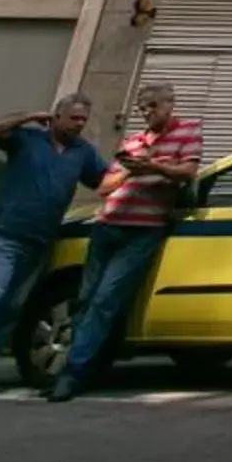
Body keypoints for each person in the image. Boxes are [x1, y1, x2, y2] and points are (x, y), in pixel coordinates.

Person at [0, 93, 106, 398]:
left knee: (9, 310)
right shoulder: (27, 140)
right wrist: (30, 116)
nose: (79, 125)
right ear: (56, 116)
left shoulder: (82, 153)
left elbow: (105, 180)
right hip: (5, 235)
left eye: (83, 120)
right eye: (74, 118)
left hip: (40, 242)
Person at [46, 82, 202, 403]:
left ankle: (73, 373)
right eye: (143, 107)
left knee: (106, 299)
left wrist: (155, 166)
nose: (147, 112)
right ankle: (78, 365)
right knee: (87, 298)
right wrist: (131, 171)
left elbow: (188, 171)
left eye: (153, 106)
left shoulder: (188, 131)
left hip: (142, 230)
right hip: (108, 224)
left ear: (169, 105)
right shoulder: (134, 141)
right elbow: (104, 187)